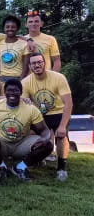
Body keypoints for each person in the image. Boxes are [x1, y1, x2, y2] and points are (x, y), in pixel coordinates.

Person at [0, 79, 53, 180]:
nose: (12, 93)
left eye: (16, 91)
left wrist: (45, 138)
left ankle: (20, 167)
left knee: (48, 145)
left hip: (21, 142)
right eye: (9, 90)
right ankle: (1, 167)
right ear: (4, 92)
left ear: (21, 92)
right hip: (1, 143)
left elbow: (44, 130)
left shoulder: (30, 109)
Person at [21, 53, 72, 181]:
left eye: (39, 62)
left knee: (61, 135)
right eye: (33, 63)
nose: (37, 65)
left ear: (45, 63)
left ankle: (61, 167)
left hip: (58, 112)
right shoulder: (26, 82)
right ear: (30, 66)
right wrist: (28, 103)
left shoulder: (58, 77)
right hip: (39, 114)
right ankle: (37, 158)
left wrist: (62, 126)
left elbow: (69, 103)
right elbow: (24, 104)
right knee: (27, 133)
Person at [0, 15, 29, 81]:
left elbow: (26, 67)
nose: (10, 29)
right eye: (7, 27)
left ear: (17, 28)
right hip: (2, 78)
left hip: (18, 78)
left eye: (13, 27)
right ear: (4, 28)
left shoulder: (24, 44)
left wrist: (21, 80)